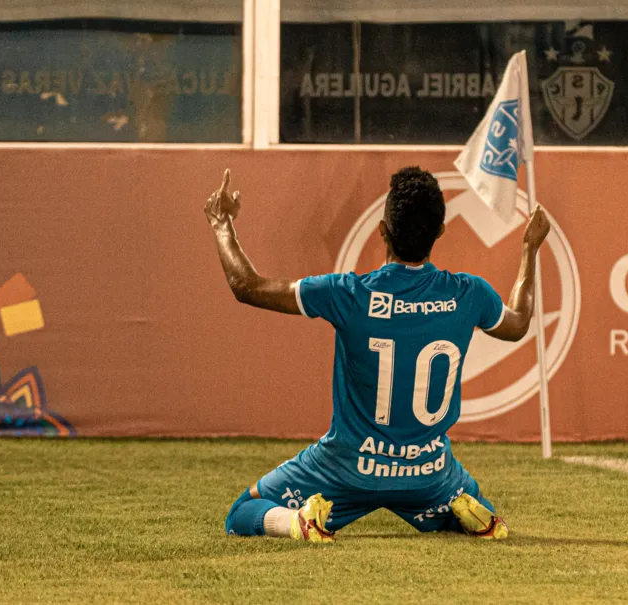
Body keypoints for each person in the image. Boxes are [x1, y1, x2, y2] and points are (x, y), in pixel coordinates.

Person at [206, 166, 550, 542]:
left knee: (242, 512)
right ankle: (461, 511)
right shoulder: (467, 293)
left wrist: (222, 223)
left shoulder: (349, 293)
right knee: (462, 493)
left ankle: (297, 523)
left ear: (383, 230)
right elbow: (517, 323)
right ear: (440, 232)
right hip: (428, 473)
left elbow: (247, 286)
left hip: (348, 467)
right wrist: (530, 248)